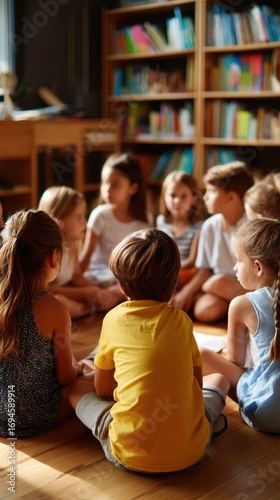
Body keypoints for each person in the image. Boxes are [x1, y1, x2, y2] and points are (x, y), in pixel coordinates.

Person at [68, 228, 230, 474]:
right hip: (193, 453)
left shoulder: (113, 319)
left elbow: (102, 390)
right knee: (219, 379)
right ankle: (204, 428)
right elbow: (195, 386)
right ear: (174, 281)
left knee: (77, 389)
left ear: (122, 287)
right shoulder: (183, 320)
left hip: (127, 454)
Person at [0, 209, 86, 438]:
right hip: (35, 417)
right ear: (53, 257)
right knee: (91, 381)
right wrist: (78, 368)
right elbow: (65, 378)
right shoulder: (53, 308)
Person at [201, 218, 280, 433]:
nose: (235, 267)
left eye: (238, 260)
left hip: (265, 414)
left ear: (257, 267)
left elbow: (235, 363)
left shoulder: (241, 304)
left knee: (200, 354)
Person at [170, 161, 254, 323]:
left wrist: (213, 286)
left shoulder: (251, 225)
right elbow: (204, 270)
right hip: (219, 286)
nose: (205, 197)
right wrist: (187, 292)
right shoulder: (210, 226)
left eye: (212, 191)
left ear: (231, 197)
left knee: (217, 282)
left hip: (247, 286)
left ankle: (245, 306)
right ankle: (237, 306)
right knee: (205, 311)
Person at [38, 186, 117, 318]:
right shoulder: (47, 251)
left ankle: (86, 308)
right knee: (59, 302)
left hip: (64, 292)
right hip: (46, 296)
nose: (85, 223)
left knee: (102, 294)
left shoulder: (72, 245)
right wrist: (86, 293)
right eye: (79, 218)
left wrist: (96, 291)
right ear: (58, 220)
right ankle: (85, 309)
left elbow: (77, 278)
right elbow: (45, 288)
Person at [79, 152, 149, 293]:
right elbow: (85, 257)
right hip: (97, 276)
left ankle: (109, 297)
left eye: (115, 185)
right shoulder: (100, 215)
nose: (107, 190)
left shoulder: (143, 222)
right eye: (104, 182)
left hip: (124, 280)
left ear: (133, 188)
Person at [156, 170, 204, 289]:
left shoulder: (199, 226)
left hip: (184, 272)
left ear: (194, 198)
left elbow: (192, 261)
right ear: (164, 197)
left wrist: (166, 270)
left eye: (184, 196)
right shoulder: (161, 221)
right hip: (162, 272)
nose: (177, 201)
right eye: (172, 195)